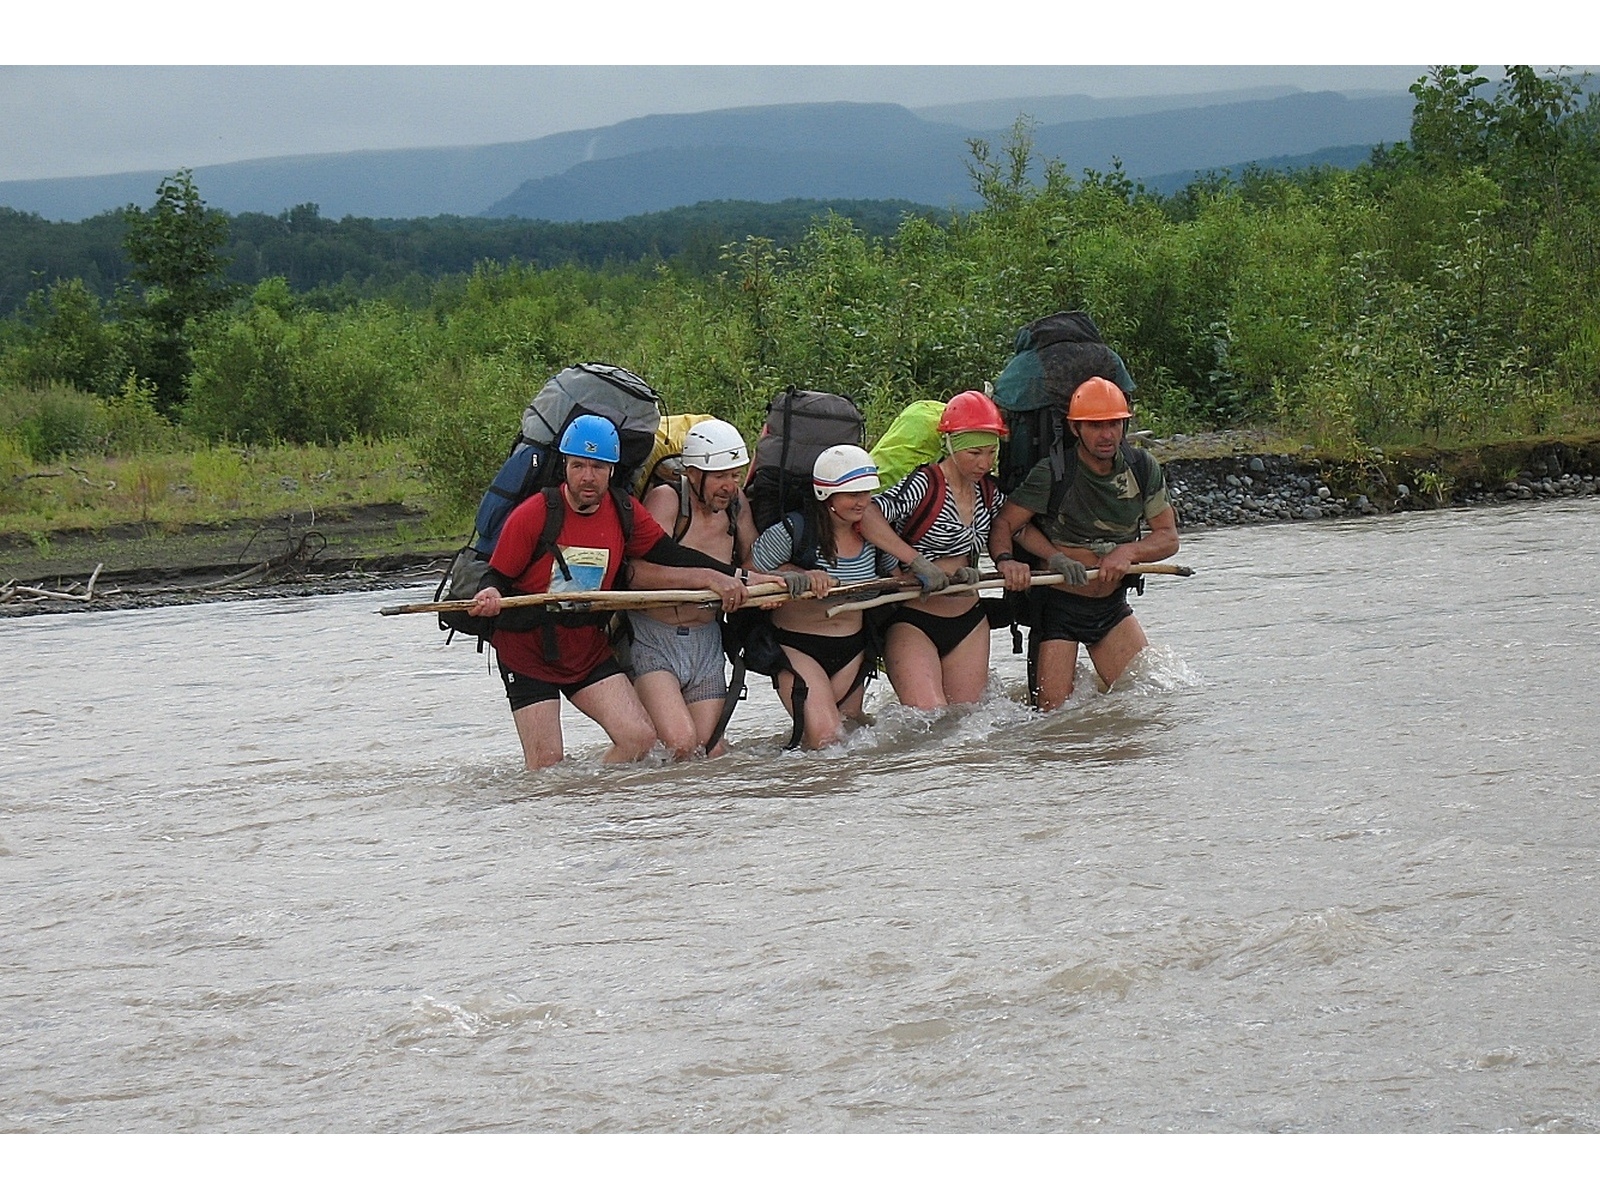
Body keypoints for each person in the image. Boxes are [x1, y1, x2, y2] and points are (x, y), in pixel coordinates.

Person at [467, 414, 751, 770]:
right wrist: (489, 594)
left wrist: (729, 576)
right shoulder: (535, 514)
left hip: (585, 648)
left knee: (640, 740)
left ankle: (597, 805)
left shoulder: (624, 511)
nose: (588, 476)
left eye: (598, 467)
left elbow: (670, 553)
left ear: (613, 471)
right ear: (565, 467)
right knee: (546, 765)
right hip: (527, 652)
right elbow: (496, 575)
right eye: (579, 465)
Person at [988, 376, 1179, 710]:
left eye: (1113, 424)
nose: (1106, 435)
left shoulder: (1142, 467)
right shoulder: (1054, 472)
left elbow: (1168, 538)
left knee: (1150, 703)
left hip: (1111, 606)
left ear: (1124, 424)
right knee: (1052, 718)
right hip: (1058, 608)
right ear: (1075, 428)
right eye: (1094, 426)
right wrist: (1020, 560)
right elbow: (1006, 524)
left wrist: (1128, 551)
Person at [627, 418, 791, 759]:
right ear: (692, 472)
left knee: (712, 750)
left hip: (706, 643)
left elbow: (752, 561)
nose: (729, 486)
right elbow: (635, 572)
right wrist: (709, 578)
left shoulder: (737, 505)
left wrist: (768, 588)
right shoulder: (667, 499)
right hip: (653, 640)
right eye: (719, 476)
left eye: (734, 475)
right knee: (681, 744)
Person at [748, 444, 906, 750]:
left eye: (866, 492)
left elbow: (897, 579)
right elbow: (748, 571)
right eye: (852, 494)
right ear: (825, 494)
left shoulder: (876, 536)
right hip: (798, 647)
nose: (863, 502)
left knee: (854, 740)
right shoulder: (792, 531)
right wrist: (796, 574)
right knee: (827, 740)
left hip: (853, 649)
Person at [858, 390, 1008, 710]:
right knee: (928, 722)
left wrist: (1018, 560)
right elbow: (867, 514)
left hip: (969, 620)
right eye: (975, 453)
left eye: (991, 452)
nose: (984, 463)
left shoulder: (989, 491)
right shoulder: (924, 485)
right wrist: (916, 561)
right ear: (951, 445)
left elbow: (1014, 526)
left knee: (963, 726)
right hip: (913, 619)